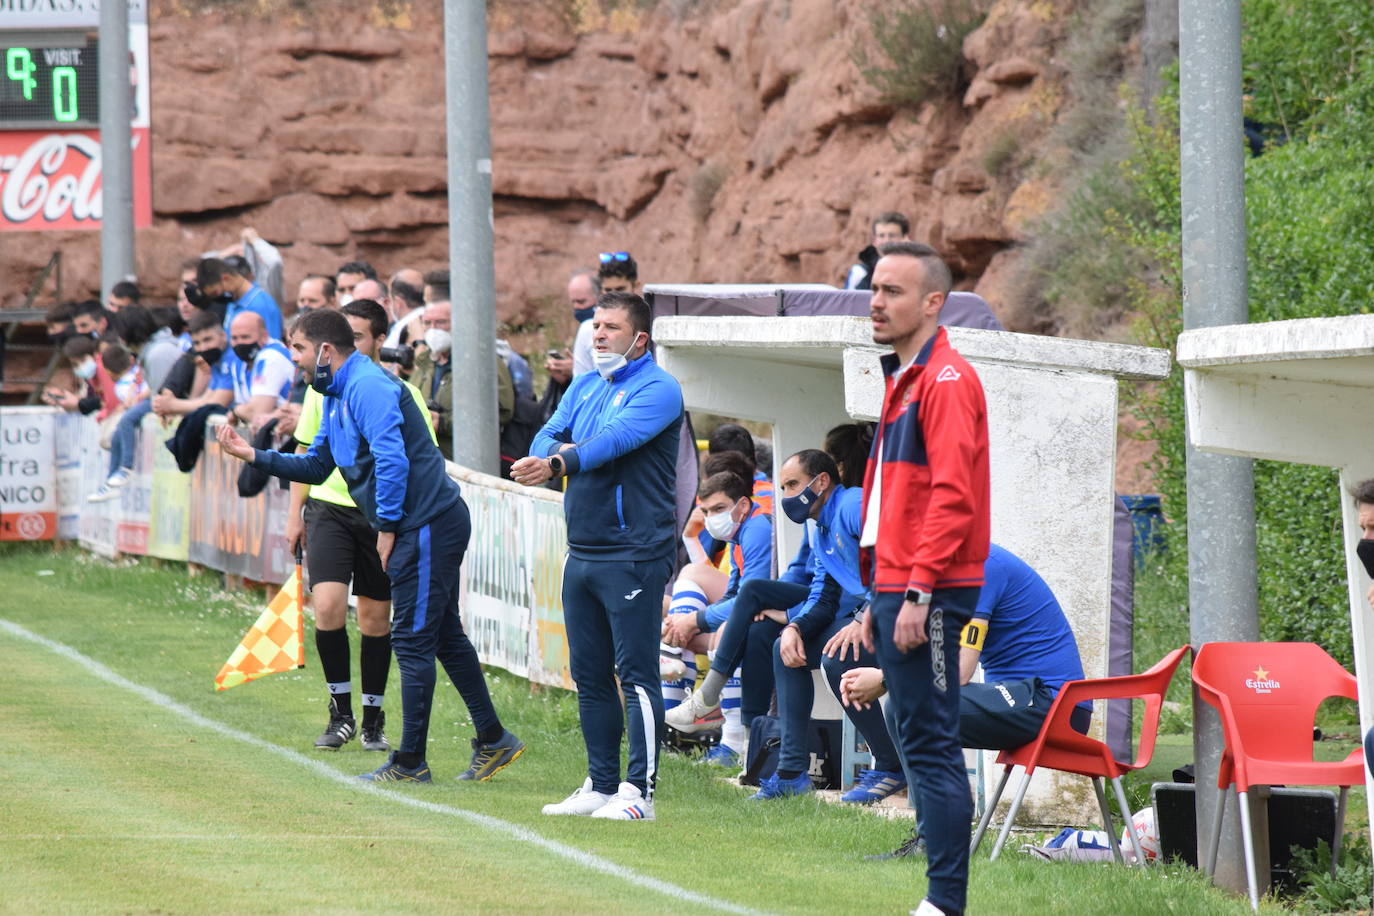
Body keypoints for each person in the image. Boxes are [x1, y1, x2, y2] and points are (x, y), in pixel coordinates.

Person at [217, 308, 524, 783]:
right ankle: (494, 738)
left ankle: (409, 762)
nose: (292, 359)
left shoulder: (368, 387)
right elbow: (318, 466)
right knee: (441, 636)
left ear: (323, 351)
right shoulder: (337, 392)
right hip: (418, 525)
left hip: (426, 526)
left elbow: (392, 459)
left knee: (413, 641)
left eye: (296, 348)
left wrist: (388, 527)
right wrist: (253, 455)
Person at [511, 291, 682, 820]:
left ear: (640, 339)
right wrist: (551, 454)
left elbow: (613, 442)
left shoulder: (660, 389)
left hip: (633, 552)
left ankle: (640, 794)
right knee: (588, 674)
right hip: (581, 550)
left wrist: (559, 462)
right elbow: (548, 432)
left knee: (635, 674)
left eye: (610, 326)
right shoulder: (585, 384)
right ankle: (601, 783)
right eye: (595, 326)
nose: (598, 334)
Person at [858, 241, 989, 916]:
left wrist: (916, 591)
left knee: (933, 744)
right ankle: (939, 900)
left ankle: (944, 903)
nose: (876, 302)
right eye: (874, 289)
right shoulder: (906, 376)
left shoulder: (945, 381)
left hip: (927, 591)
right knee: (920, 739)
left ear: (933, 303)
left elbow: (951, 497)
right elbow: (894, 505)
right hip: (897, 583)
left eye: (893, 292)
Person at [842, 544, 1090, 858]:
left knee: (907, 704)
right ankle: (932, 836)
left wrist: (885, 678)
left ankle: (937, 839)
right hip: (1026, 697)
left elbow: (958, 670)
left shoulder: (982, 567)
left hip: (1054, 704)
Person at [285, 298, 436, 754]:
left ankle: (373, 718)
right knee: (327, 605)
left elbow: (409, 458)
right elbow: (307, 451)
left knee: (374, 619)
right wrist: (296, 513)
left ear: (376, 341)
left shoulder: (395, 391)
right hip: (330, 508)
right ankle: (340, 713)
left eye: (359, 334)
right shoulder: (321, 389)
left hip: (377, 517)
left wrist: (392, 523)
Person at [659, 468, 774, 766]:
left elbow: (752, 596)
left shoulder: (758, 527)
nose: (712, 517)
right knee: (683, 595)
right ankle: (669, 726)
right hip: (758, 608)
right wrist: (688, 620)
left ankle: (733, 743)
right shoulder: (739, 533)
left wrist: (695, 620)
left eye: (719, 509)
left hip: (777, 614)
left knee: (719, 625)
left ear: (743, 505)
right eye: (706, 510)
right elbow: (732, 593)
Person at [409, 299, 514, 460]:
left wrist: (442, 422)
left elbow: (501, 412)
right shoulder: (425, 363)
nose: (433, 329)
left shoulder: (483, 361)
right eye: (427, 323)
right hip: (428, 461)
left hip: (467, 462)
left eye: (441, 322)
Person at [218, 312, 295, 429]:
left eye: (245, 337)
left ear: (264, 336)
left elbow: (256, 413)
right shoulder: (238, 363)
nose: (239, 343)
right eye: (234, 338)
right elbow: (246, 408)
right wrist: (241, 411)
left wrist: (236, 411)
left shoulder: (272, 356)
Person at [197, 257, 283, 341]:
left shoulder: (260, 304)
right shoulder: (233, 302)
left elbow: (271, 345)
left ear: (225, 278)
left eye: (216, 293)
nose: (218, 298)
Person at [844, 212, 911, 291]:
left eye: (892, 235)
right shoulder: (859, 272)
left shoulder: (915, 270)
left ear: (905, 238)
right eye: (881, 236)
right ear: (874, 240)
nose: (887, 240)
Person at [567, 268, 603, 377]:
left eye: (581, 301)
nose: (576, 307)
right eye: (573, 302)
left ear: (599, 297)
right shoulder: (585, 328)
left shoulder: (588, 327)